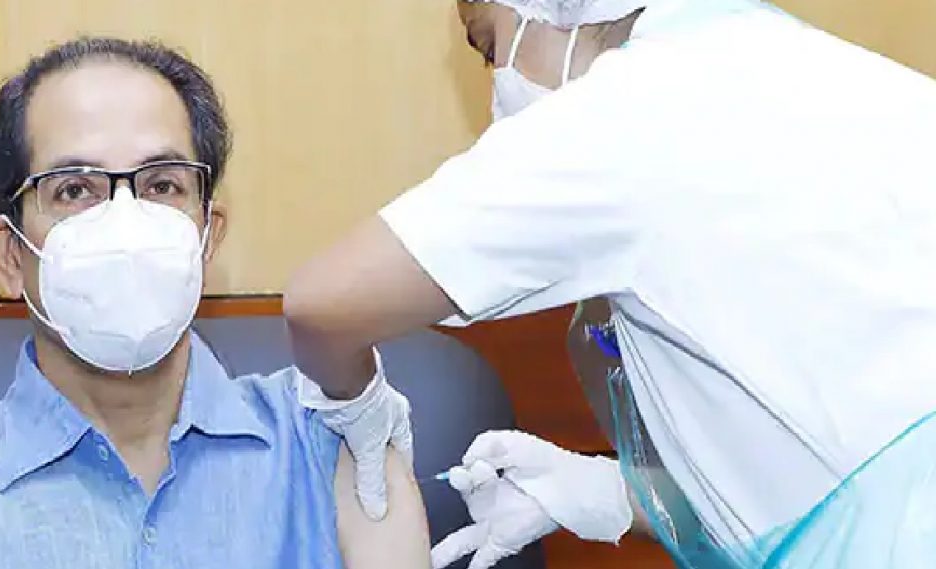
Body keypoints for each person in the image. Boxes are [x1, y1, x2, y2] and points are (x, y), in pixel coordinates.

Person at [282, 0, 936, 567]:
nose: (496, 87)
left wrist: (360, 411)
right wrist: (614, 495)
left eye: (489, 48)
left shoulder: (621, 115)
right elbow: (823, 457)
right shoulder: (844, 75)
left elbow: (324, 302)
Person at [0, 37, 429, 569]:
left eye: (162, 185)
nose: (126, 223)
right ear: (9, 256)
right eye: (74, 190)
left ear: (207, 237)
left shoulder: (333, 440)